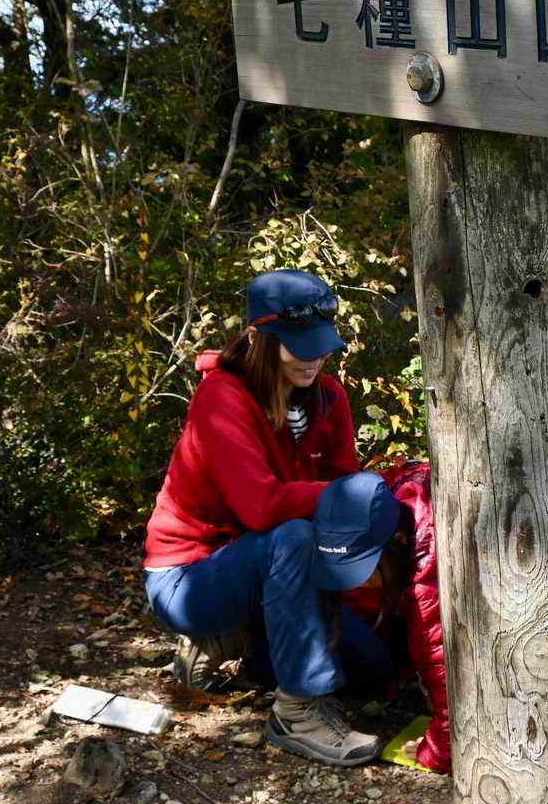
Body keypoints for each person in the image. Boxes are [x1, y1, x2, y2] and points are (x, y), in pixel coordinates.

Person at [141, 269, 396, 767]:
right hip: (190, 578)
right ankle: (295, 713)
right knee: (294, 535)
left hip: (277, 573)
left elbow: (342, 491)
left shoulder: (329, 397)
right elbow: (262, 506)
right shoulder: (222, 398)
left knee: (371, 670)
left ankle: (231, 645)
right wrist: (344, 496)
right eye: (299, 346)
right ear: (259, 338)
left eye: (321, 346)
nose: (314, 358)